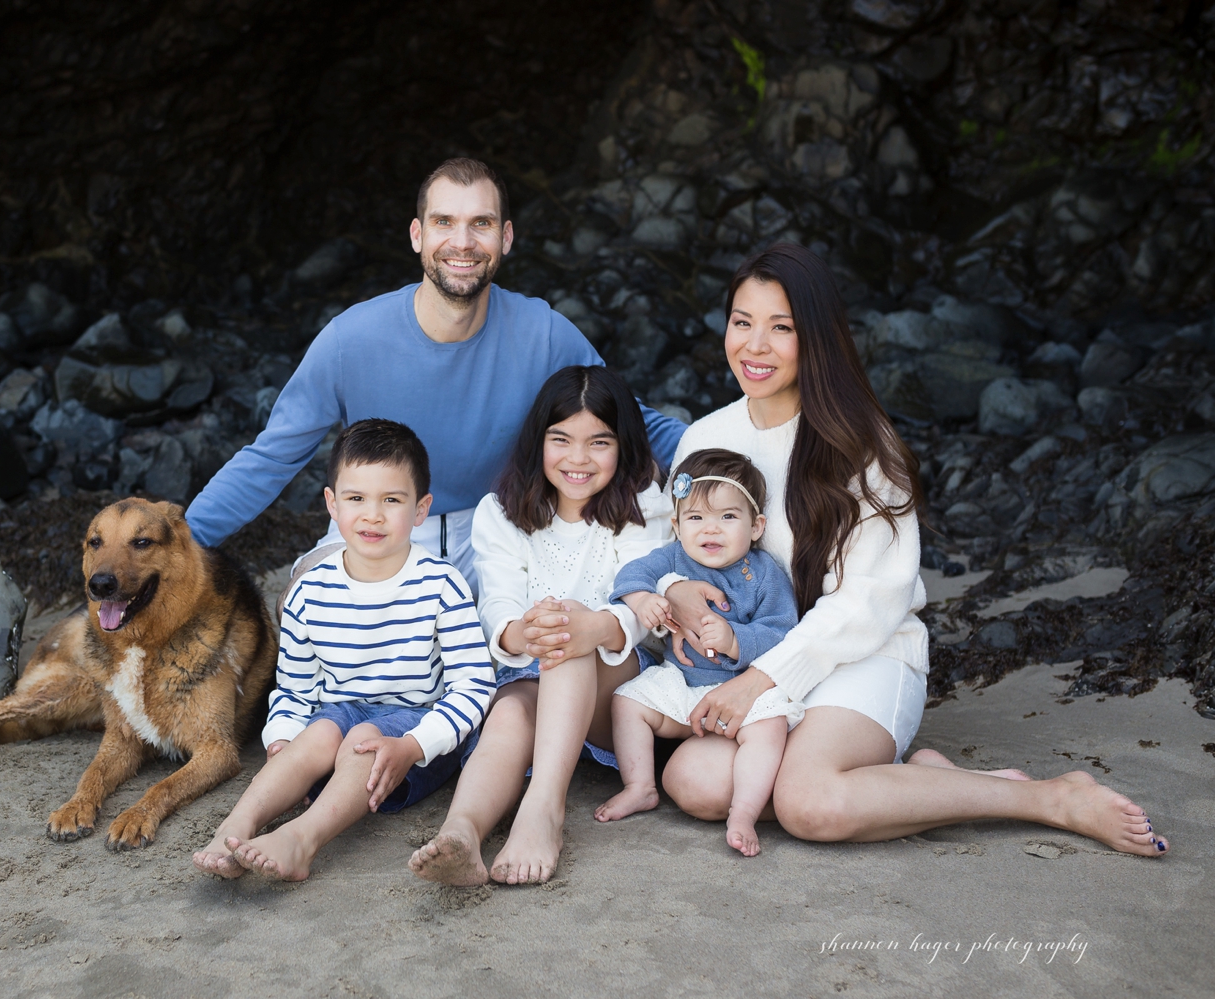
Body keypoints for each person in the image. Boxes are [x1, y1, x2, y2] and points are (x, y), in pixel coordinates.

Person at [655, 243, 1168, 857]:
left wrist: (759, 680)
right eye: (742, 322)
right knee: (696, 782)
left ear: (817, 337)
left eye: (781, 327)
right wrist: (670, 590)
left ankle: (1048, 798)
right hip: (754, 664)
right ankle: (928, 783)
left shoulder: (861, 446)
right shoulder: (705, 437)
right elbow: (670, 547)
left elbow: (872, 600)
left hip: (861, 656)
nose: (755, 346)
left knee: (809, 803)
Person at [182, 157, 683, 591]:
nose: (462, 243)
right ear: (418, 234)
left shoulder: (544, 333)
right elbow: (272, 457)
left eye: (481, 224)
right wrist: (178, 540)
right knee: (302, 603)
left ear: (505, 237)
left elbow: (633, 423)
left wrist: (736, 452)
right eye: (444, 222)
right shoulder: (350, 339)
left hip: (500, 532)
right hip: (380, 524)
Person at [191, 420, 496, 882]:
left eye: (391, 500)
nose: (372, 515)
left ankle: (301, 840)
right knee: (313, 736)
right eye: (356, 499)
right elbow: (295, 689)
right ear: (332, 504)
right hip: (339, 719)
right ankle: (236, 827)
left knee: (360, 739)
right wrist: (282, 741)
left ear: (420, 510)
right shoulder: (309, 592)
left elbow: (473, 685)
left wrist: (415, 745)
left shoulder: (441, 584)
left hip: (416, 733)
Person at [408, 365, 672, 886]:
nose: (578, 459)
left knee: (567, 641)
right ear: (539, 441)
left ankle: (544, 809)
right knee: (508, 716)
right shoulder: (501, 512)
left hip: (618, 683)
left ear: (624, 445)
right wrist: (519, 633)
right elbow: (497, 605)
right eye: (561, 440)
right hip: (529, 669)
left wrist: (596, 626)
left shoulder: (645, 504)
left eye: (599, 442)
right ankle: (462, 831)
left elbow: (644, 600)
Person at [593, 448, 800, 857]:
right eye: (696, 518)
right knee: (627, 701)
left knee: (770, 726)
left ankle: (743, 810)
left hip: (743, 692)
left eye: (728, 517)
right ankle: (639, 786)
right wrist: (642, 599)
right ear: (676, 524)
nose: (711, 530)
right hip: (682, 681)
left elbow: (782, 631)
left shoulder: (761, 573)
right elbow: (631, 574)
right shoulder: (673, 557)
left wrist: (736, 640)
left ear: (756, 526)